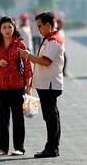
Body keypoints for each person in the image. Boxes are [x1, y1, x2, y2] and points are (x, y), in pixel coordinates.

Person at [18, 11, 64, 158]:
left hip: (50, 84)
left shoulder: (54, 41)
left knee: (51, 117)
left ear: (48, 25)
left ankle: (52, 148)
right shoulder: (48, 39)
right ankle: (52, 147)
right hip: (45, 84)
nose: (38, 29)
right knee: (51, 116)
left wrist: (28, 56)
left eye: (40, 26)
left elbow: (45, 61)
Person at [0, 16, 33, 156]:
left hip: (17, 86)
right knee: (3, 117)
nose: (7, 30)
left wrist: (28, 87)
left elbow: (28, 67)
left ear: (14, 28)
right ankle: (3, 148)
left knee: (18, 117)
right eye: (4, 27)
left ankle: (19, 148)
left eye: (10, 27)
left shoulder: (20, 45)